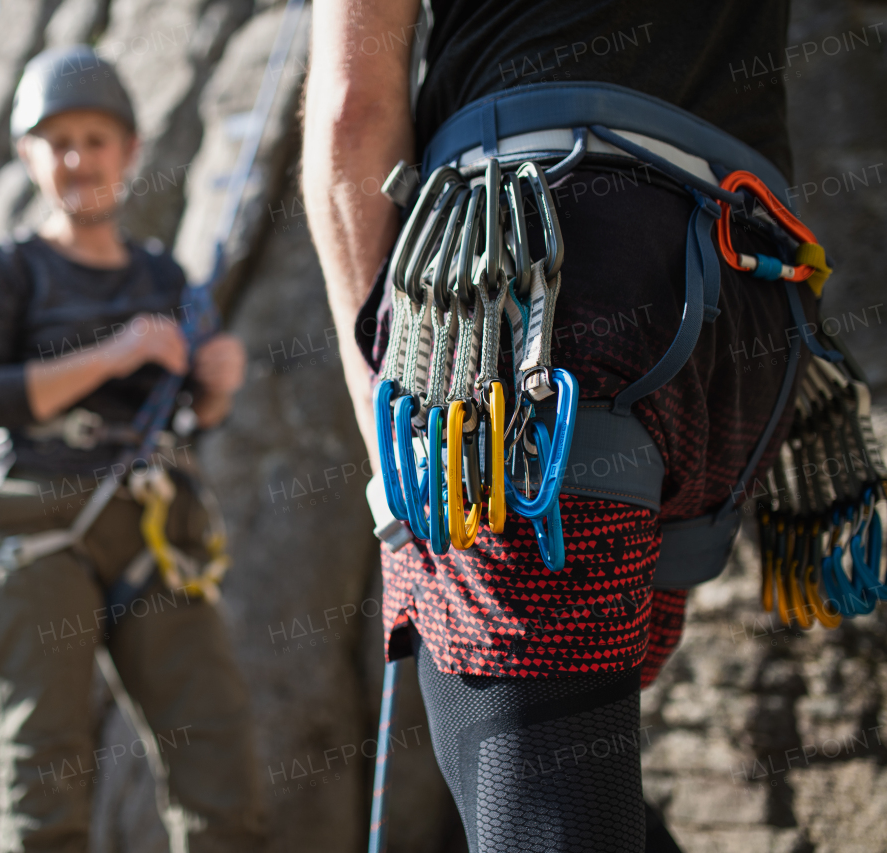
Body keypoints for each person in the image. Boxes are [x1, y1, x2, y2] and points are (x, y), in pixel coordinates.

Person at [304, 3, 811, 851]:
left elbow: (352, 110)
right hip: (749, 321)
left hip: (543, 300)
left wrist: (394, 440)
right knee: (574, 778)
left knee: (546, 810)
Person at [0, 45, 264, 853]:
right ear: (28, 157)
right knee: (44, 780)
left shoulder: (162, 277)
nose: (79, 158)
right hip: (33, 520)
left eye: (96, 139)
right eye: (59, 143)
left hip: (153, 526)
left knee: (221, 764)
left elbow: (190, 413)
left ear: (130, 152)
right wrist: (112, 354)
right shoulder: (13, 268)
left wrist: (217, 383)